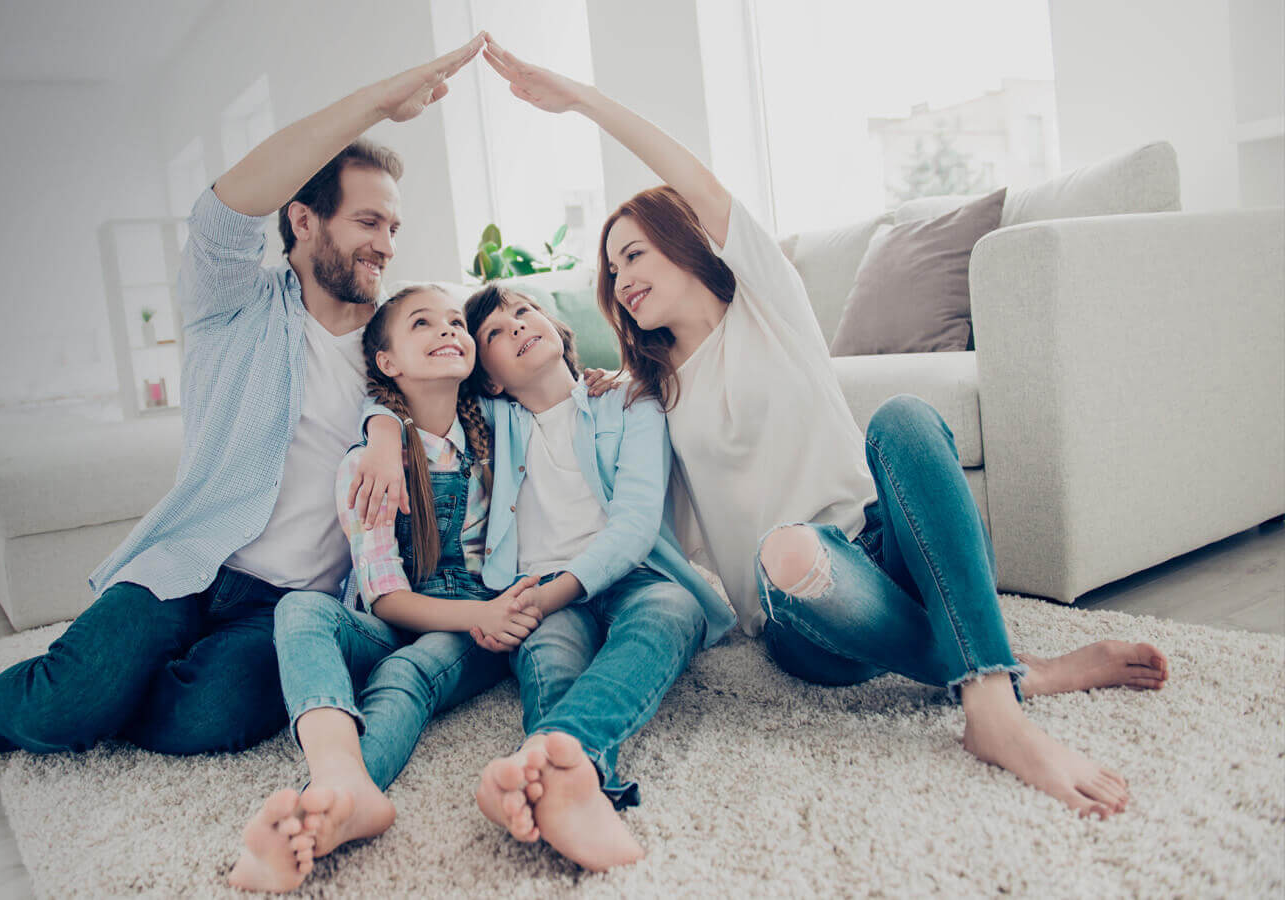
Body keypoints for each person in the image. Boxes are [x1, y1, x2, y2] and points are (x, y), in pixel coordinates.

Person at [476, 34, 1169, 819]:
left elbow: (696, 181)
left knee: (906, 419)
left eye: (634, 255)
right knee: (790, 548)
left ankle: (992, 706)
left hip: (886, 551)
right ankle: (1018, 671)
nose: (622, 280)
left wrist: (580, 100)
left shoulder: (768, 305)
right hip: (801, 616)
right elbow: (574, 459)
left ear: (684, 243)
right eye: (611, 273)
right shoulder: (647, 395)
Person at [0, 33, 491, 797]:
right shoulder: (230, 303)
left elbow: (495, 376)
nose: (385, 246)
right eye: (368, 222)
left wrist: (594, 381)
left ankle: (56, 690)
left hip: (295, 602)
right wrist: (375, 104)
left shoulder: (399, 342)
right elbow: (218, 213)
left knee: (209, 719)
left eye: (393, 229)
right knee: (84, 692)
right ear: (304, 220)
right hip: (191, 563)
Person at [359, 283, 735, 871]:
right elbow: (403, 395)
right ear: (490, 378)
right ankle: (569, 785)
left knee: (673, 611)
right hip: (537, 588)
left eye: (524, 312)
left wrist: (542, 599)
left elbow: (635, 524)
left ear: (557, 331)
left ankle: (556, 758)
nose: (516, 326)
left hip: (627, 576)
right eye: (495, 334)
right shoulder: (488, 419)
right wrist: (381, 432)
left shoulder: (630, 400)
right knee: (551, 661)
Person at [229, 284, 542, 892]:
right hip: (404, 615)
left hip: (473, 622)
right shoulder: (367, 464)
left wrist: (600, 380)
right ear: (388, 363)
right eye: (423, 323)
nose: (449, 331)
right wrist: (383, 431)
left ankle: (323, 810)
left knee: (406, 676)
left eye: (456, 322)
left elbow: (553, 394)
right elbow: (386, 599)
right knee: (299, 610)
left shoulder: (499, 432)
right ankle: (336, 771)